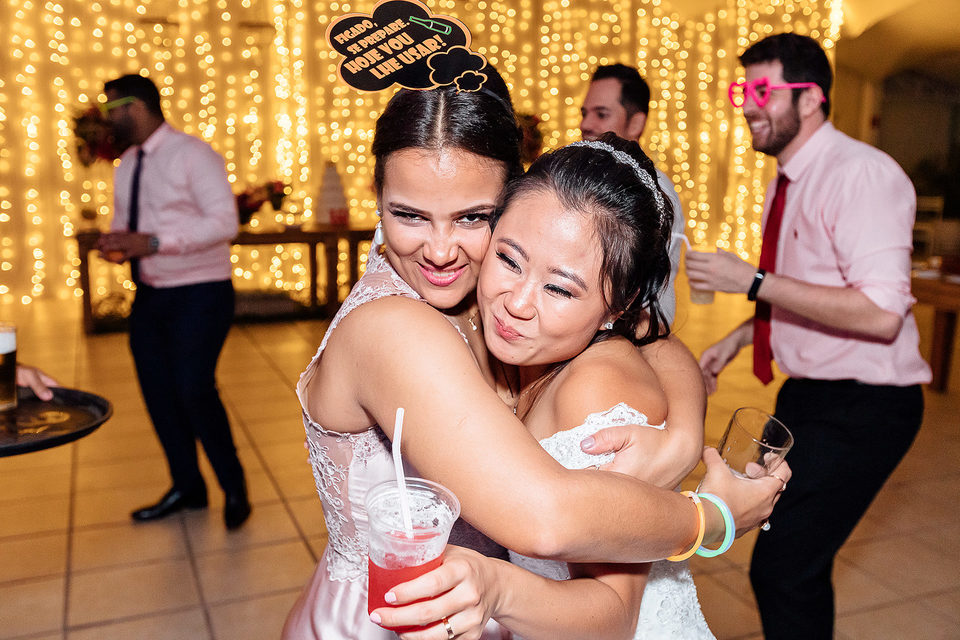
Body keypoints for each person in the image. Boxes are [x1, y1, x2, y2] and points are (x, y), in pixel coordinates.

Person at [283, 69, 787, 639]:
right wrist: (709, 519)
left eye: (473, 217)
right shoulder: (394, 327)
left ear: (509, 203)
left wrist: (684, 433)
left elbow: (652, 334)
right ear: (378, 200)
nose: (441, 251)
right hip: (381, 620)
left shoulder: (492, 282)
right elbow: (544, 516)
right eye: (409, 215)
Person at [376, 134, 718, 639]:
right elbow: (662, 342)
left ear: (618, 307)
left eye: (559, 288)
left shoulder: (596, 391)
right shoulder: (526, 334)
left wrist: (498, 590)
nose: (517, 303)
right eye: (509, 259)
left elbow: (612, 620)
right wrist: (687, 431)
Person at [685, 33, 931, 639]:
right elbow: (815, 288)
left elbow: (881, 313)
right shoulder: (788, 176)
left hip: (867, 405)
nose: (748, 105)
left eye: (762, 91)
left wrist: (753, 282)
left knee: (785, 568)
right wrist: (742, 337)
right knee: (786, 556)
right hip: (809, 395)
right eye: (743, 91)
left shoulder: (861, 175)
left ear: (811, 98)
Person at [96, 74, 250, 530]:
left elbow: (225, 222)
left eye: (112, 109)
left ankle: (234, 487)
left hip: (201, 292)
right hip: (150, 294)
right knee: (159, 394)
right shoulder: (127, 164)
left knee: (193, 390)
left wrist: (155, 242)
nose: (108, 119)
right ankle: (188, 487)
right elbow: (128, 226)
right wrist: (117, 243)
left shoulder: (193, 154)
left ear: (136, 107)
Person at [580, 63, 685, 325]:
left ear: (636, 122)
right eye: (584, 113)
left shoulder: (654, 190)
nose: (585, 124)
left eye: (601, 114)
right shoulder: (587, 177)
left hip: (637, 333)